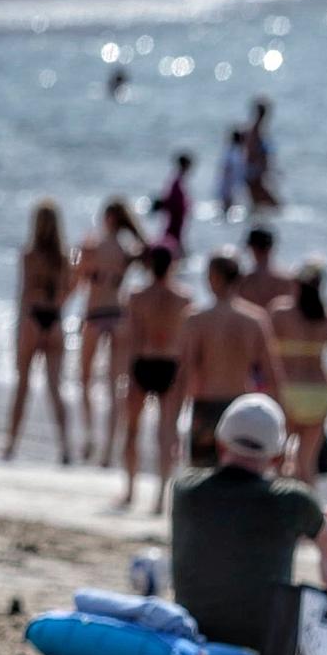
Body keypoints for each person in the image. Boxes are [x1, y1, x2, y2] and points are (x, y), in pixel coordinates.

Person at [172, 397, 327, 652]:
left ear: (220, 444)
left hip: (195, 633)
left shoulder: (184, 489)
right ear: (278, 457)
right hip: (264, 648)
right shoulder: (294, 500)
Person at [180, 249, 283, 469]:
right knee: (240, 477)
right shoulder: (255, 319)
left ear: (215, 277)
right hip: (240, 407)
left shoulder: (197, 318)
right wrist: (280, 422)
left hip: (206, 403)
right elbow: (272, 374)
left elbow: (186, 370)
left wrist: (173, 417)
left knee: (200, 475)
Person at [115, 245, 192, 514]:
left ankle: (130, 490)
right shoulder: (184, 298)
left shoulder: (136, 296)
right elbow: (186, 343)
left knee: (133, 430)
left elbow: (130, 339)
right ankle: (160, 497)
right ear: (172, 265)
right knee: (166, 433)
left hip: (143, 362)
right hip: (169, 364)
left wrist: (126, 374)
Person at [72, 198, 143, 464]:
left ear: (109, 218)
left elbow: (78, 279)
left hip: (94, 313)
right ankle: (110, 449)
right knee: (116, 385)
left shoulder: (92, 245)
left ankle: (90, 433)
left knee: (85, 379)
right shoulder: (128, 249)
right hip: (118, 314)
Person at [1, 200, 72, 464]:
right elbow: (66, 293)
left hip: (32, 317)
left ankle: (10, 444)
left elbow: (25, 293)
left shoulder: (30, 255)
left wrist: (20, 329)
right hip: (54, 320)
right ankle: (65, 448)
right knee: (56, 388)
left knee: (22, 385)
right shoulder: (64, 257)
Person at [268, 262, 327, 484]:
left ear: (296, 284)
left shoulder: (280, 312)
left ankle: (279, 511)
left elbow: (262, 355)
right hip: (319, 393)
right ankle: (309, 514)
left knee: (279, 460)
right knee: (307, 464)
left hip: (288, 392)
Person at [234, 225, 297, 312]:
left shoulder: (242, 281)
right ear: (271, 247)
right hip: (280, 325)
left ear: (251, 248)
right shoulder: (289, 280)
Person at [242, 97, 279, 210]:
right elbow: (251, 153)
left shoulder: (257, 129)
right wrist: (260, 168)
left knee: (258, 204)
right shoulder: (255, 130)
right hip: (255, 171)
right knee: (273, 205)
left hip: (255, 171)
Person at [156, 152, 191, 255]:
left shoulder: (177, 180)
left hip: (176, 219)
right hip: (175, 219)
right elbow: (173, 202)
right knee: (173, 244)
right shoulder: (177, 182)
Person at [216, 128, 246, 219]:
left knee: (228, 204)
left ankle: (225, 219)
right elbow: (228, 168)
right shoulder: (233, 152)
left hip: (229, 181)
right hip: (229, 181)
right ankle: (225, 220)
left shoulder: (231, 150)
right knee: (227, 204)